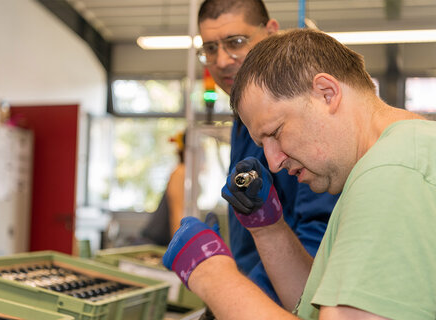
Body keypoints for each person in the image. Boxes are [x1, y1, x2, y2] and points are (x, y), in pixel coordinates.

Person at [164, 28, 436, 319]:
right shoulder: (396, 159)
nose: (272, 162)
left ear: (326, 94)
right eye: (262, 145)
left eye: (276, 132)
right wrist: (268, 229)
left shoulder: (392, 172)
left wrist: (213, 276)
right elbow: (314, 309)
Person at [197, 0, 338, 303]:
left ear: (271, 32)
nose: (221, 60)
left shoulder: (299, 115)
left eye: (235, 42)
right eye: (210, 48)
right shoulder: (243, 120)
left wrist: (237, 295)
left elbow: (318, 238)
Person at [140, 131, 185, 246]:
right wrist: (179, 248)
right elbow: (177, 216)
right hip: (153, 243)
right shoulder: (181, 172)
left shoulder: (186, 174)